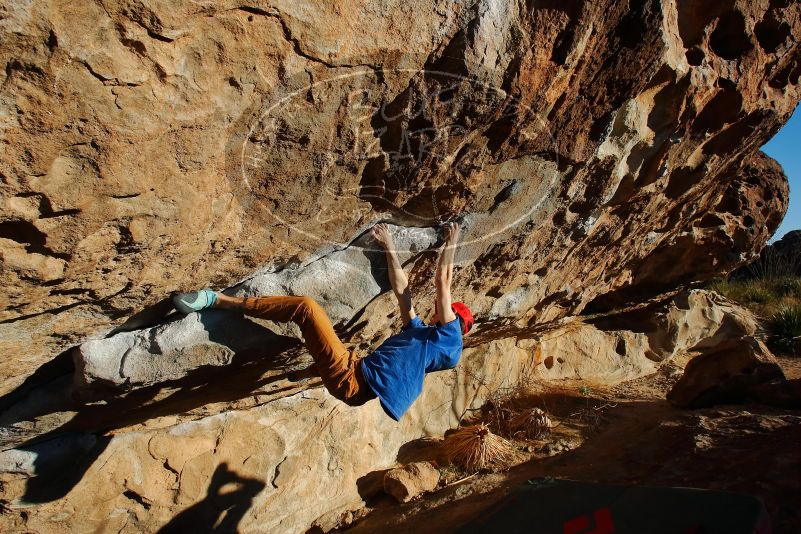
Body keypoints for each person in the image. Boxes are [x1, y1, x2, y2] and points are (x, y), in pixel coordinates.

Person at [172, 222, 474, 421]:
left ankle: (216, 300)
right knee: (338, 344)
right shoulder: (424, 336)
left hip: (351, 377)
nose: (436, 309)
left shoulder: (450, 340)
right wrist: (389, 246)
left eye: (443, 310)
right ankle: (308, 371)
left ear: (454, 320)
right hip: (355, 378)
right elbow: (402, 291)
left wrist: (453, 241)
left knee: (306, 309)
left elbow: (443, 281)